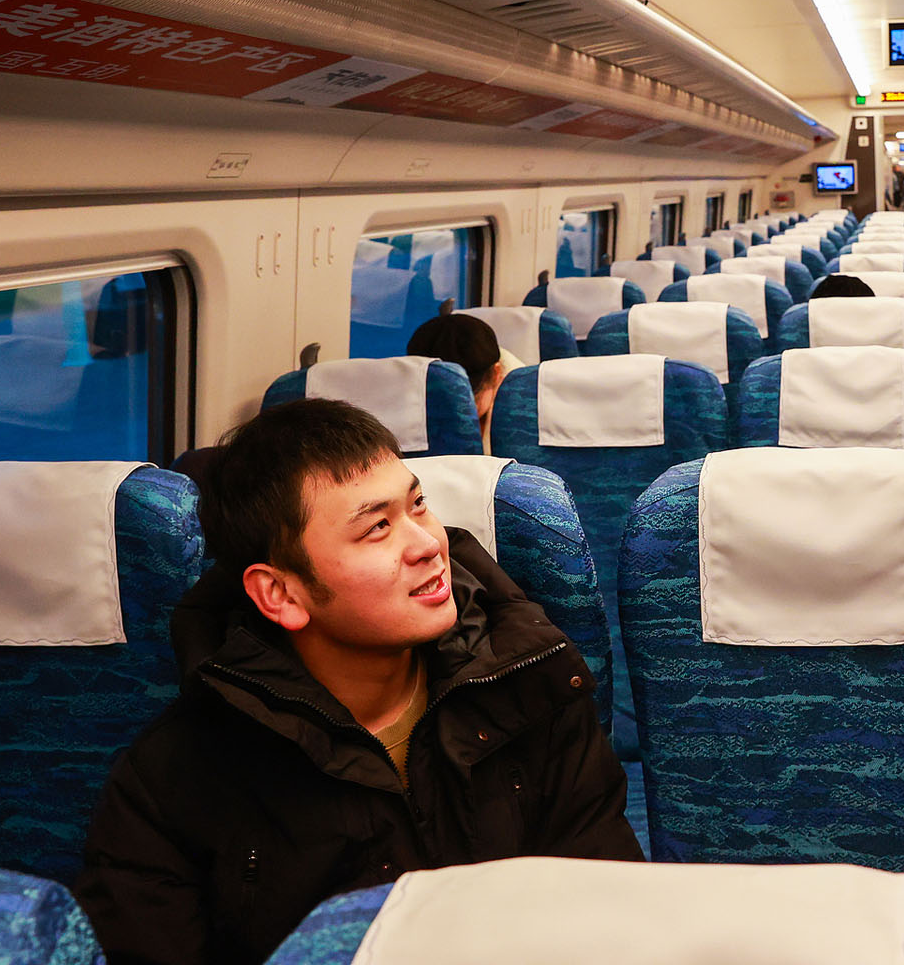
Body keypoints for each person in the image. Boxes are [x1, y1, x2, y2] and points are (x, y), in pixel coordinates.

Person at [77, 399, 641, 965]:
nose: (428, 544)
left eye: (418, 505)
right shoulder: (173, 780)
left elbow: (612, 919)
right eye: (377, 528)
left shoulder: (532, 687)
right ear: (282, 594)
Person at [406, 307, 517, 453]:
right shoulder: (402, 392)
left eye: (467, 403)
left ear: (497, 374)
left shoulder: (523, 412)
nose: (457, 416)